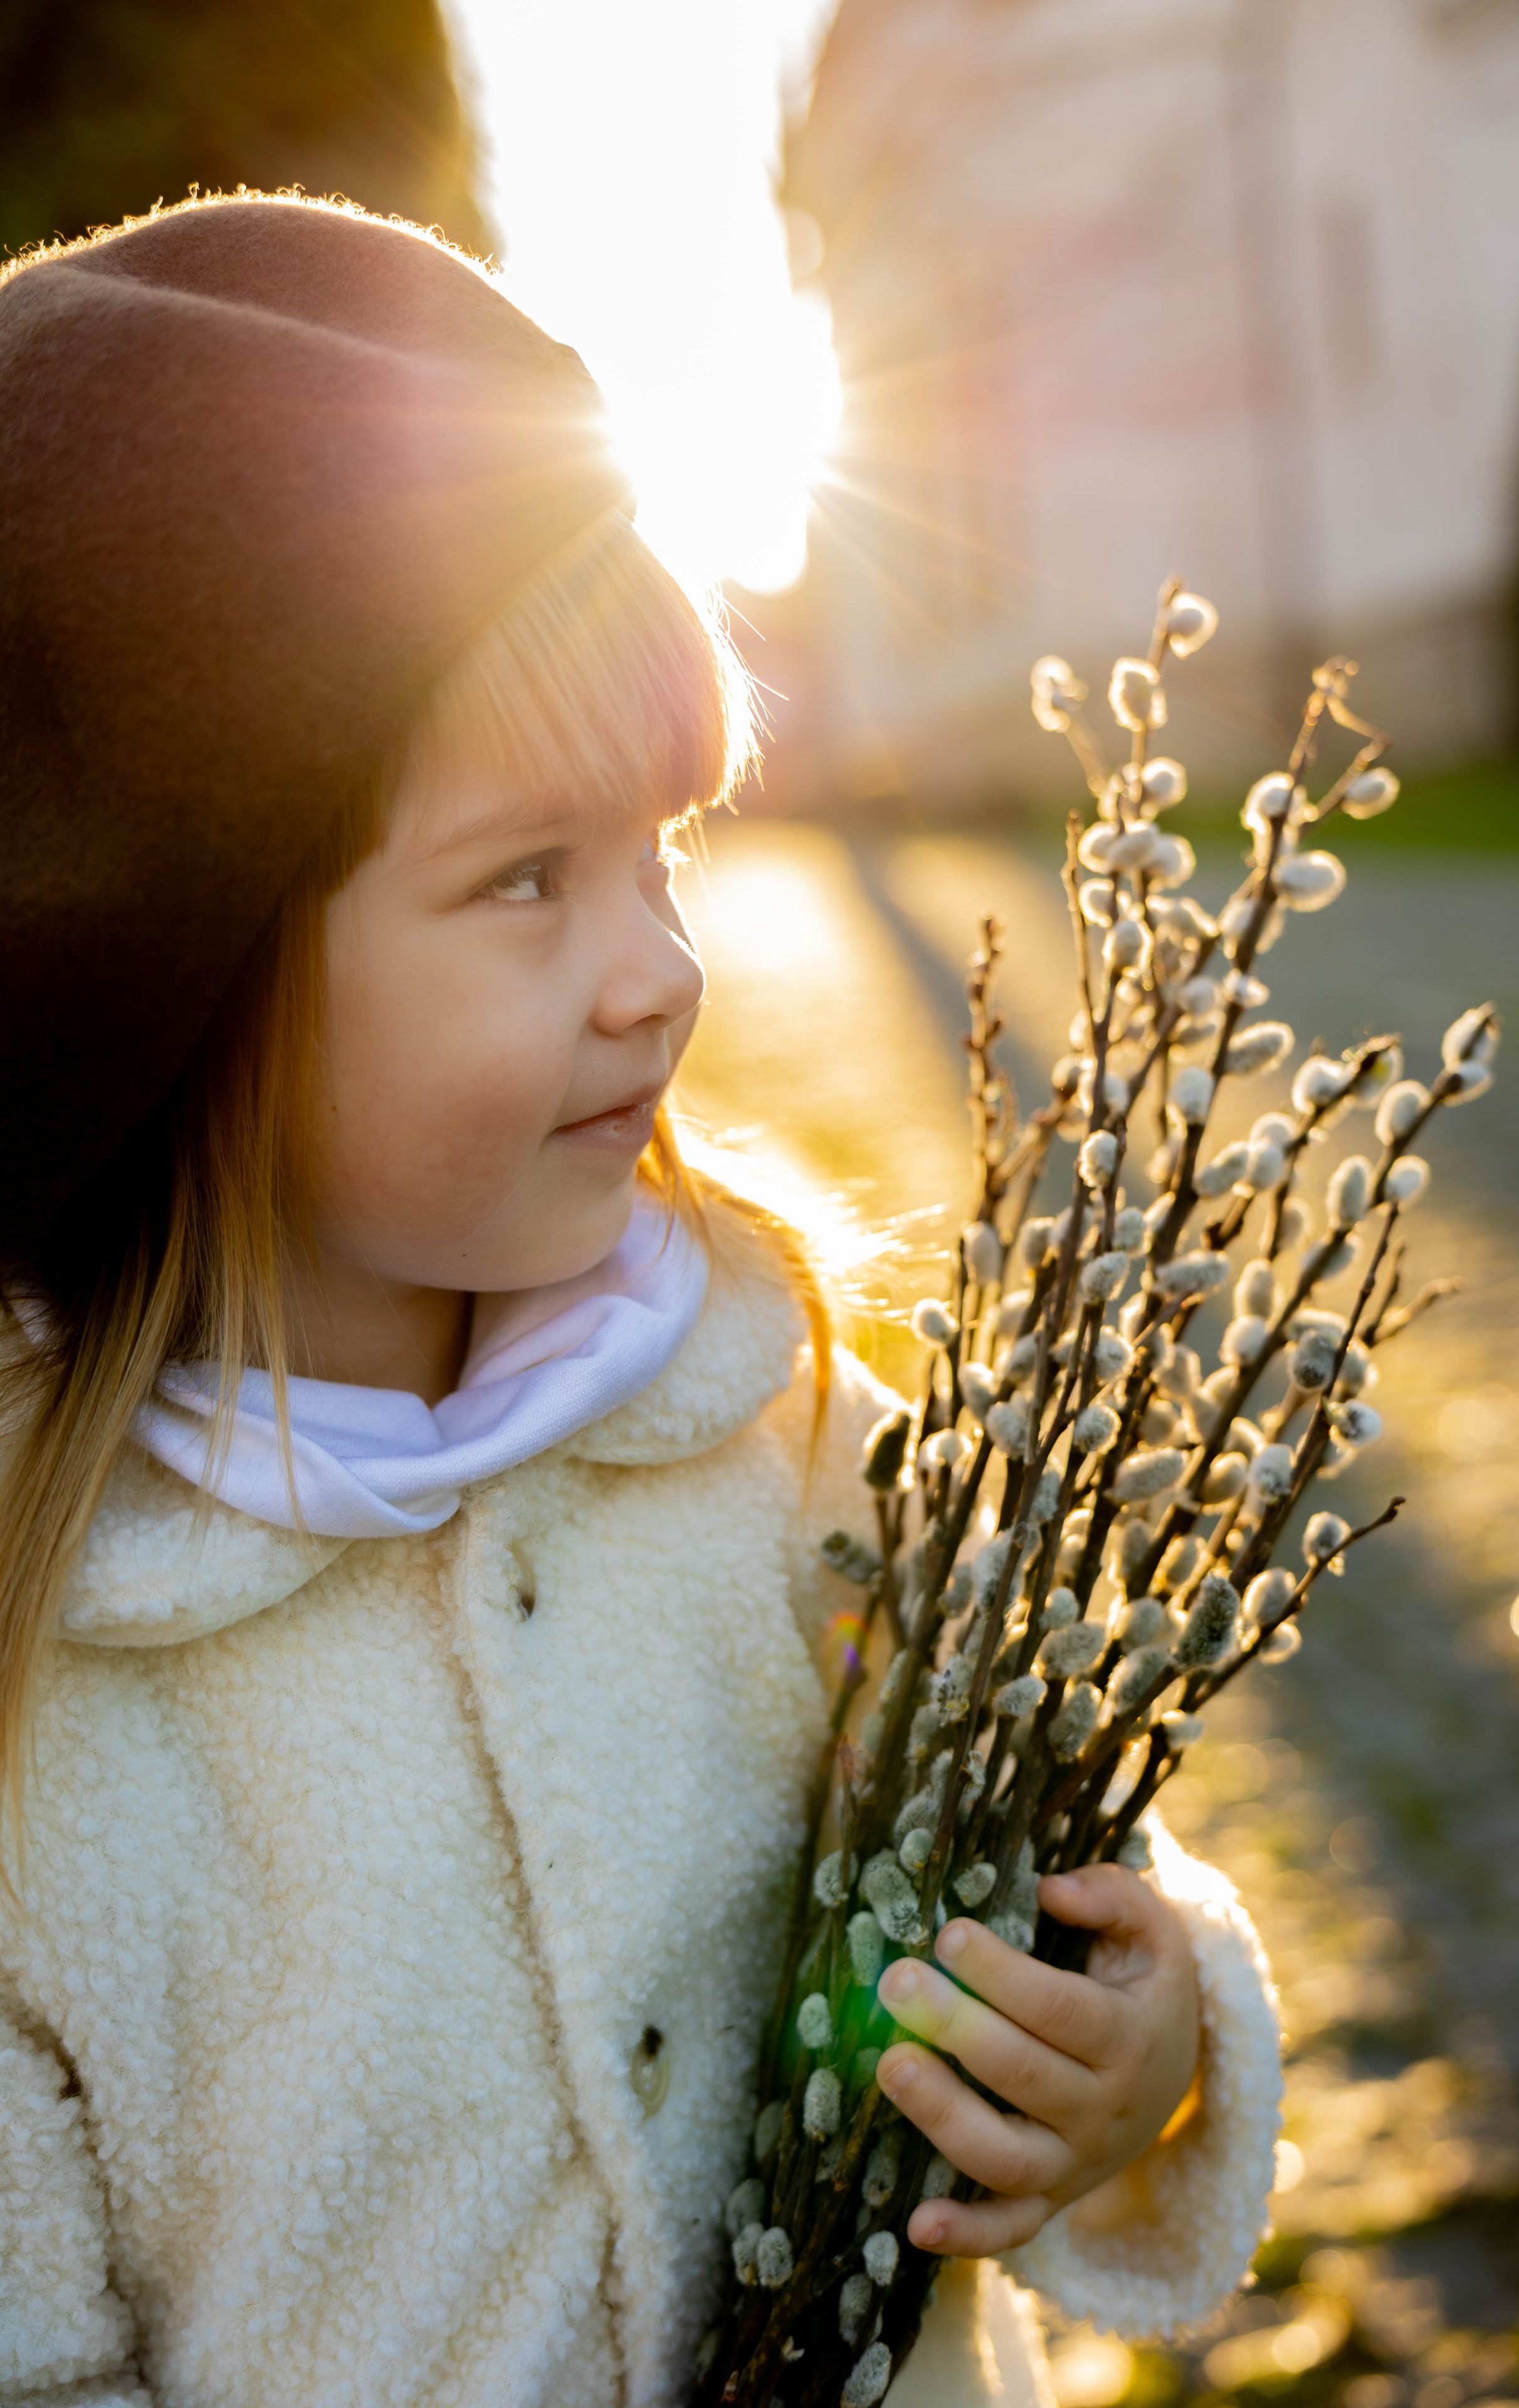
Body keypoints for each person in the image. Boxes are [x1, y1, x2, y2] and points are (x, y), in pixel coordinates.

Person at [0, 194, 1281, 2408]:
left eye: (667, 848)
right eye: (528, 878)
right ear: (186, 977)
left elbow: (1068, 1872)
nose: (664, 971)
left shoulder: (779, 1438)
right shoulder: (44, 1690)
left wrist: (1145, 2035)